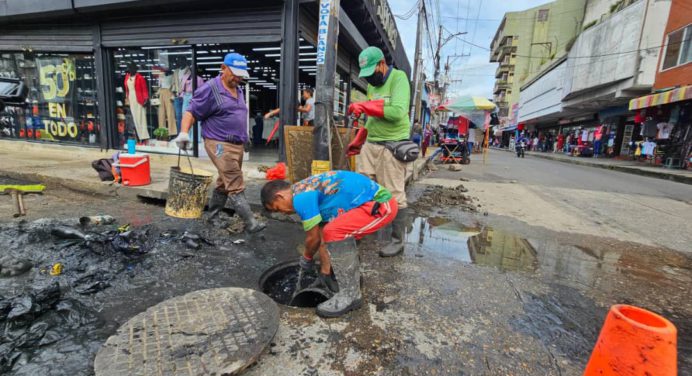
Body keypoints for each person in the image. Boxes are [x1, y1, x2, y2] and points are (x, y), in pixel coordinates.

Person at [261, 171, 397, 317]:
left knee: (334, 231)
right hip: (365, 206)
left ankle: (351, 295)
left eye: (277, 208)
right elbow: (321, 236)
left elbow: (313, 239)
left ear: (279, 196)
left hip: (381, 205)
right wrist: (325, 272)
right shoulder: (305, 190)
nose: (282, 213)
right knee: (330, 231)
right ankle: (349, 279)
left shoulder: (301, 198)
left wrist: (307, 258)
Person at [172, 52, 265, 233]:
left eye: (241, 74)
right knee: (235, 182)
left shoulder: (237, 89)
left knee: (224, 181)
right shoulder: (210, 88)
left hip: (236, 144)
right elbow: (191, 111)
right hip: (219, 144)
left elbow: (236, 116)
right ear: (223, 68)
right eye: (234, 73)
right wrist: (184, 133)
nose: (238, 77)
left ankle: (212, 218)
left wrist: (244, 139)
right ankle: (251, 223)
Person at [345, 46, 411, 258]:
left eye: (372, 73)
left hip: (392, 145)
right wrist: (359, 139)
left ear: (382, 64)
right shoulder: (372, 87)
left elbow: (398, 112)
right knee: (364, 189)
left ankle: (397, 241)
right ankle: (361, 230)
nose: (370, 80)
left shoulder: (399, 79)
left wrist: (364, 107)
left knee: (394, 193)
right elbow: (372, 119)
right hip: (371, 145)